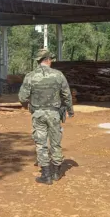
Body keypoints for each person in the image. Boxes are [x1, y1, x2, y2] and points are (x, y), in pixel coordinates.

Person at [18, 48, 74, 185]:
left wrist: (29, 107)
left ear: (38, 61)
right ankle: (56, 172)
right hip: (55, 113)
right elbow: (67, 95)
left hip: (38, 114)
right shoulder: (58, 75)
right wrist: (70, 110)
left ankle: (46, 175)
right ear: (48, 60)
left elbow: (22, 97)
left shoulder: (30, 76)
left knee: (41, 143)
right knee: (56, 142)